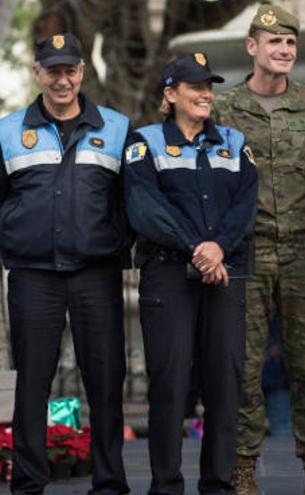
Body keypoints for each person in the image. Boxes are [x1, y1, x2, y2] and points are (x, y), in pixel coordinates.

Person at [210, 6, 305, 494]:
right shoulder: (224, 108)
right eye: (273, 42)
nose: (283, 51)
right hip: (248, 252)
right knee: (244, 365)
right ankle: (244, 470)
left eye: (289, 44)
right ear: (252, 47)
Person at [0, 32, 130, 495]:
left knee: (106, 381)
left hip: (96, 273)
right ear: (37, 73)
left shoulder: (116, 127)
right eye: (52, 70)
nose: (62, 80)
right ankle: (29, 483)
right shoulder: (7, 130)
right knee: (33, 383)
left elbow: (127, 202)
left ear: (81, 72)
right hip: (33, 275)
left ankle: (110, 482)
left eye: (69, 70)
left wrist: (116, 245)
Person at [123, 52, 258, 494]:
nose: (205, 94)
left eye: (209, 86)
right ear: (170, 94)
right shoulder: (143, 143)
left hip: (225, 275)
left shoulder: (234, 143)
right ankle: (166, 485)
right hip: (168, 277)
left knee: (224, 382)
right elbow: (145, 209)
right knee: (170, 383)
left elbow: (245, 205)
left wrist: (217, 248)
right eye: (194, 86)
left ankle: (218, 485)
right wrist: (197, 248)